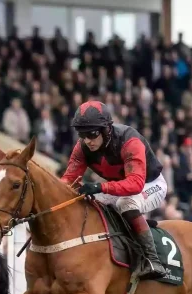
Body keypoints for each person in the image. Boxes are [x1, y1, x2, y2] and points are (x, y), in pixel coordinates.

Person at [60, 101, 168, 279]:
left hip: (150, 184)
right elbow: (67, 180)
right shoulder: (82, 147)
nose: (87, 140)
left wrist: (99, 186)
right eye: (82, 134)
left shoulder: (129, 141)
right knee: (89, 203)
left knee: (126, 202)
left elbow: (135, 184)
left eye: (92, 134)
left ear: (106, 129)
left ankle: (152, 260)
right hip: (122, 185)